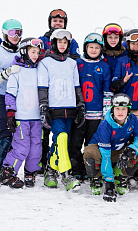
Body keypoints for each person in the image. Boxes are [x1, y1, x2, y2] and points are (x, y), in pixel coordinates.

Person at [38, 29, 86, 191]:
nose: (63, 45)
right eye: (60, 42)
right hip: (54, 108)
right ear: (54, 43)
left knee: (60, 142)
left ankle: (50, 171)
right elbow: (43, 87)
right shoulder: (45, 62)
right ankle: (67, 175)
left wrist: (81, 106)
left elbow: (76, 86)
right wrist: (43, 107)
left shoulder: (72, 63)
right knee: (62, 137)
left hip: (70, 108)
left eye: (65, 43)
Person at [83, 93, 138, 202]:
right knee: (90, 154)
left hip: (119, 150)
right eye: (117, 109)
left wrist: (130, 150)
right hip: (102, 152)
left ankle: (120, 174)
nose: (120, 112)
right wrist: (109, 184)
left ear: (128, 110)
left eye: (124, 109)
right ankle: (97, 176)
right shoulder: (105, 125)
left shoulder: (132, 119)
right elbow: (106, 157)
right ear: (112, 109)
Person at [0, 38, 43, 188]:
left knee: (36, 147)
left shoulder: (40, 70)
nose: (35, 55)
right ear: (25, 51)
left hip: (36, 118)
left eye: (37, 52)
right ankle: (8, 172)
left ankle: (30, 172)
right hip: (21, 117)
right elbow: (10, 93)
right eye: (33, 52)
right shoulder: (17, 70)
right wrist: (10, 112)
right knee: (22, 146)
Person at [69, 33, 112, 180]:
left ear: (101, 49)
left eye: (97, 48)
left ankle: (88, 169)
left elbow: (107, 92)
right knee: (75, 142)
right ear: (85, 48)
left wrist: (106, 113)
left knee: (90, 144)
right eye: (90, 47)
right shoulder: (78, 64)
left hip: (96, 113)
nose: (93, 50)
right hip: (79, 112)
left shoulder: (104, 66)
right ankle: (76, 170)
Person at [0, 19, 23, 180]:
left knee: (17, 134)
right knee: (6, 133)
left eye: (19, 33)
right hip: (0, 96)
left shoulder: (22, 51)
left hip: (18, 97)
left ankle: (7, 166)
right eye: (13, 33)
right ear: (5, 34)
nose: (16, 36)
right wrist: (6, 73)